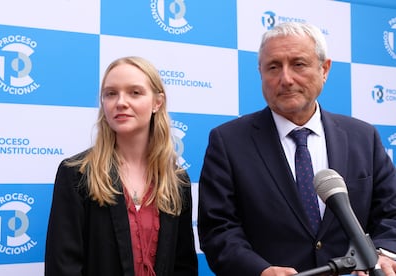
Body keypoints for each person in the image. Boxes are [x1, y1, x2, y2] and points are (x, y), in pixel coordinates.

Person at [197, 22, 396, 276]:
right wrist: (260, 271)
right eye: (273, 67)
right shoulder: (228, 142)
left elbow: (391, 212)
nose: (286, 79)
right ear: (260, 73)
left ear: (324, 69)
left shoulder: (363, 137)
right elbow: (218, 230)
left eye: (298, 64)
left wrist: (383, 252)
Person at [45, 56, 198, 276]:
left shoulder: (176, 180)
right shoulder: (76, 174)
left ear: (157, 102)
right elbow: (62, 267)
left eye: (135, 92)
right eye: (111, 93)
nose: (121, 102)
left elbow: (184, 265)